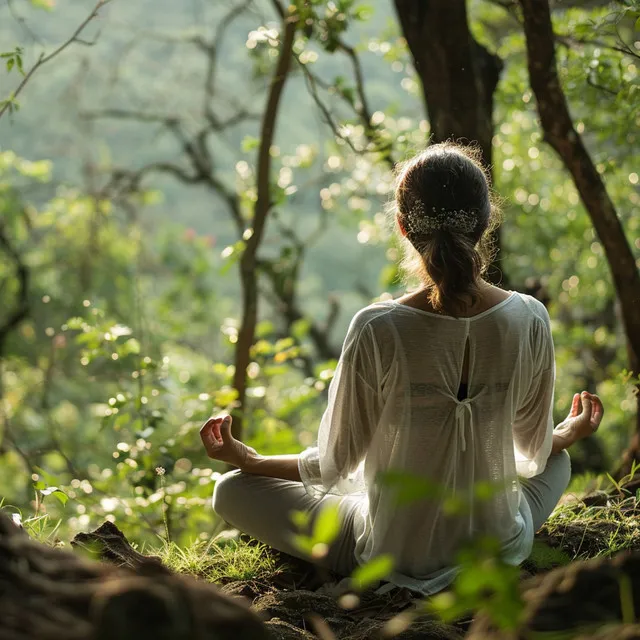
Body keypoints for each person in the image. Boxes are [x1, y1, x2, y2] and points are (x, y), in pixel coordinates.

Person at [200, 142, 604, 594]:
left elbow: (333, 465)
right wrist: (568, 432)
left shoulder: (378, 327)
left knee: (231, 490)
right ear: (487, 220)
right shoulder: (529, 317)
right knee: (559, 461)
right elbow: (532, 453)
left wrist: (249, 459)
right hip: (497, 545)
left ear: (401, 225)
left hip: (393, 553)